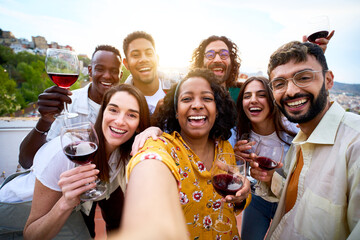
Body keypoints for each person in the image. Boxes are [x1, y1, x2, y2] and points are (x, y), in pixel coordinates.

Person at [120, 68, 251, 239]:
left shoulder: (225, 148)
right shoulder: (163, 145)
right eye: (187, 99)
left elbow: (232, 202)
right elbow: (150, 160)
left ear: (217, 109)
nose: (197, 105)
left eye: (206, 98)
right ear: (176, 111)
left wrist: (242, 196)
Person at [249, 41, 360, 239]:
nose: (291, 91)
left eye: (304, 77)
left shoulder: (354, 142)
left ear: (328, 80)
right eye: (280, 84)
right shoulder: (301, 140)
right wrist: (270, 178)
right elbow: (301, 199)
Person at [14, 84, 150, 239]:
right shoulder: (65, 152)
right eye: (113, 110)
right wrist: (66, 202)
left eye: (131, 115)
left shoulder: (122, 152)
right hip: (16, 210)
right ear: (103, 112)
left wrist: (154, 131)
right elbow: (31, 235)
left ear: (139, 125)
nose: (119, 121)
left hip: (66, 210)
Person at [19, 45, 123, 169]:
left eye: (114, 71)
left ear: (121, 75)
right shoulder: (67, 103)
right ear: (90, 70)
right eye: (100, 69)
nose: (107, 76)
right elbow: (26, 162)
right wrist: (44, 121)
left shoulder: (125, 110)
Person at [232, 76, 297, 240]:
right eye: (247, 96)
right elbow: (229, 166)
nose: (253, 100)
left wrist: (273, 178)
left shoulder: (292, 130)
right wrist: (235, 156)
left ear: (272, 99)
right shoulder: (239, 132)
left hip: (287, 202)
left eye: (261, 95)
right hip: (257, 198)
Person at [122, 31, 166, 116]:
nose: (144, 59)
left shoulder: (179, 89)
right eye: (135, 55)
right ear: (126, 63)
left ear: (157, 59)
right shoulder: (121, 101)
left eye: (149, 53)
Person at [190, 35, 242, 101]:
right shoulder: (186, 94)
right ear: (201, 62)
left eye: (224, 54)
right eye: (210, 55)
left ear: (231, 61)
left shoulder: (243, 95)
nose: (217, 60)